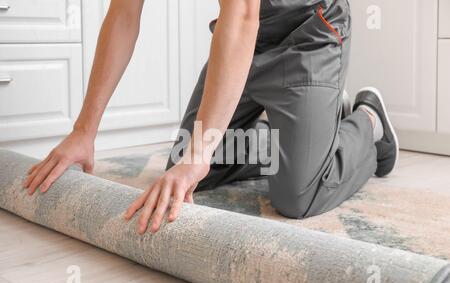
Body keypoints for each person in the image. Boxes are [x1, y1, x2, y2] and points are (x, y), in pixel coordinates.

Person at [24, 0, 399, 235]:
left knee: (299, 195)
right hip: (240, 35)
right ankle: (302, 138)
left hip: (308, 32)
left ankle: (367, 121)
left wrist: (197, 158)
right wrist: (84, 130)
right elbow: (123, 13)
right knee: (189, 165)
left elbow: (243, 13)